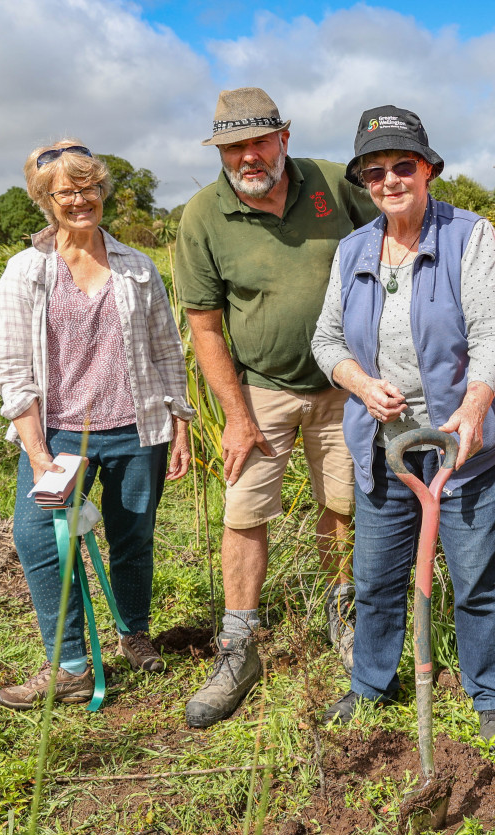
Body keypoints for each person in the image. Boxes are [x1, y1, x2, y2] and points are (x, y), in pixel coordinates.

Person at [311, 105, 495, 746]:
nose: (390, 180)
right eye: (375, 172)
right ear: (365, 183)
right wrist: (360, 383)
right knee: (376, 576)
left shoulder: (469, 235)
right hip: (387, 446)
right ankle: (372, 683)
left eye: (404, 165)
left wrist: (476, 405)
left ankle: (490, 693)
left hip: (466, 441)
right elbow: (326, 342)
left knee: (475, 575)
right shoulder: (351, 252)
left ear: (428, 169)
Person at [174, 88, 377, 729]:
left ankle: (344, 618)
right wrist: (235, 415)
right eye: (233, 146)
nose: (248, 156)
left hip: (344, 381)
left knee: (341, 504)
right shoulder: (203, 215)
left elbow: (389, 234)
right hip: (261, 388)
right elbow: (205, 325)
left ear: (282, 136)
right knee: (245, 510)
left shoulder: (328, 183)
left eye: (259, 141)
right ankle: (239, 648)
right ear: (220, 151)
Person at [0, 140, 193, 709]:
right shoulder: (27, 271)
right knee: (39, 541)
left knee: (133, 537)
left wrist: (180, 424)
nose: (81, 200)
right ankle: (72, 666)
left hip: (135, 428)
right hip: (57, 436)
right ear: (45, 201)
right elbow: (12, 370)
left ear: (101, 191)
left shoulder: (137, 266)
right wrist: (36, 453)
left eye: (89, 187)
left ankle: (134, 633)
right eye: (66, 192)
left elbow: (165, 350)